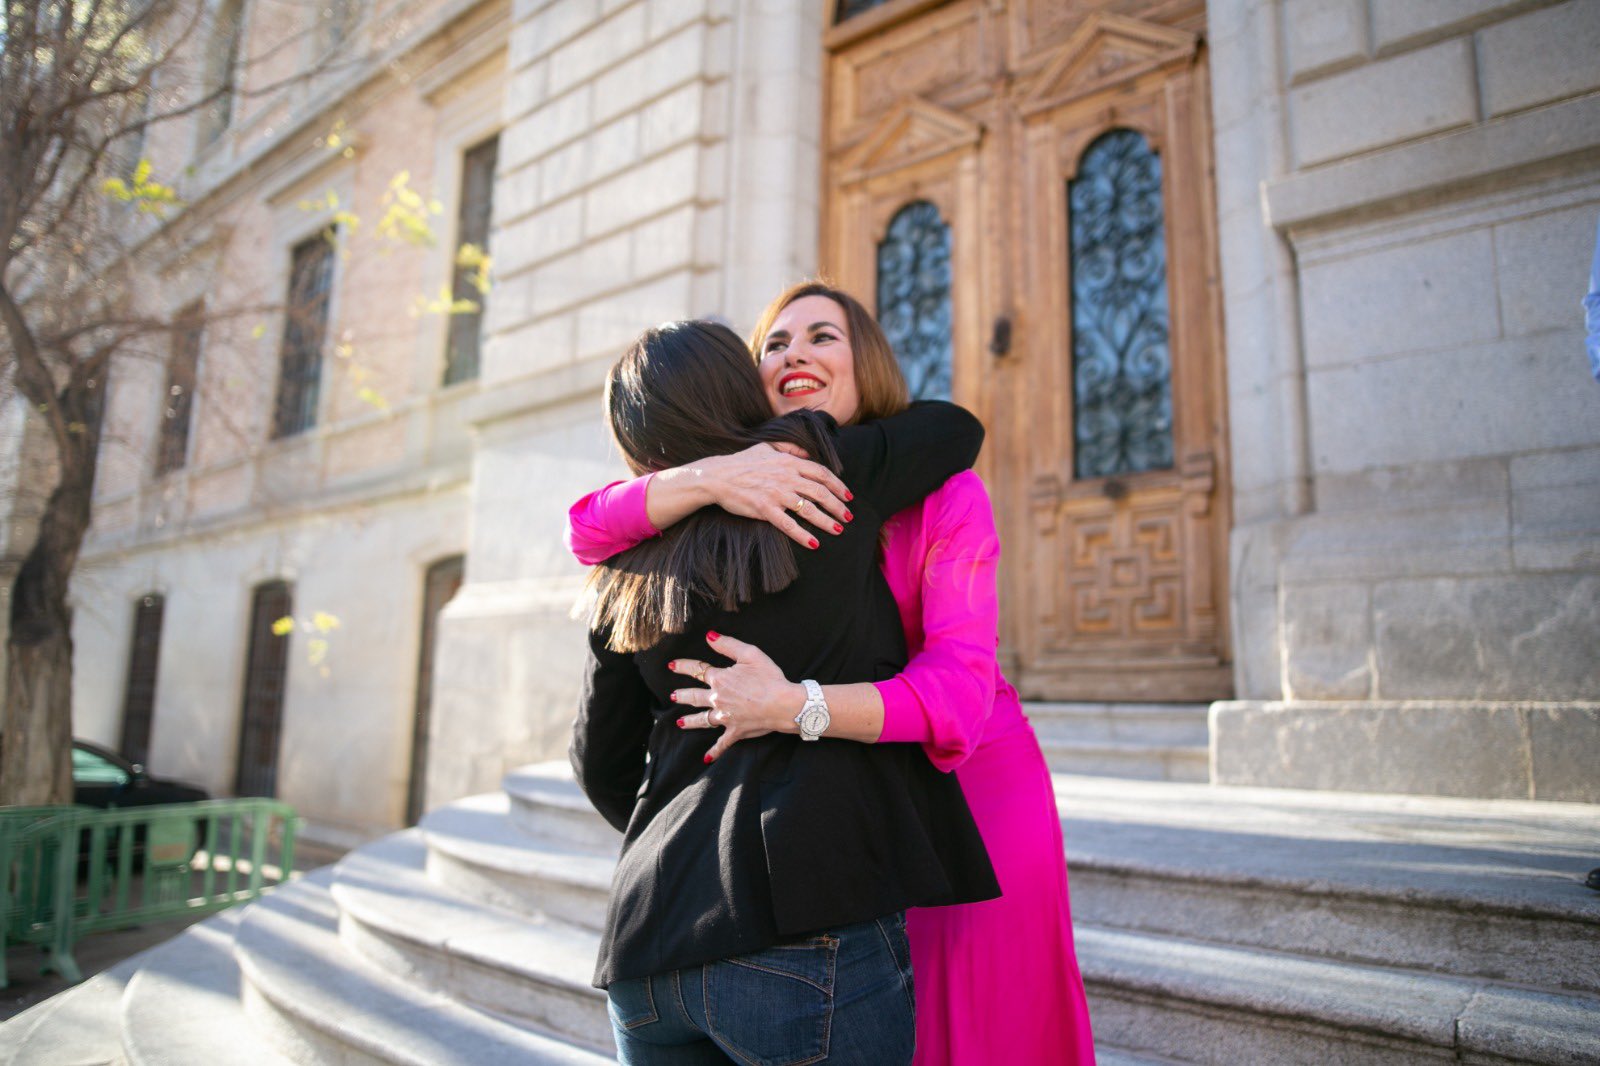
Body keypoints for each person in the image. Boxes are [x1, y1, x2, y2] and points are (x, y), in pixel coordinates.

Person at [566, 281, 1098, 1065]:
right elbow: (585, 524)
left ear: (865, 361)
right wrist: (709, 478)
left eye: (823, 336)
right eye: (775, 344)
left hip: (965, 790)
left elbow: (958, 695)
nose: (796, 354)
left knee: (983, 1032)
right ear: (747, 383)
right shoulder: (731, 504)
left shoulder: (891, 475)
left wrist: (789, 708)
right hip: (837, 840)